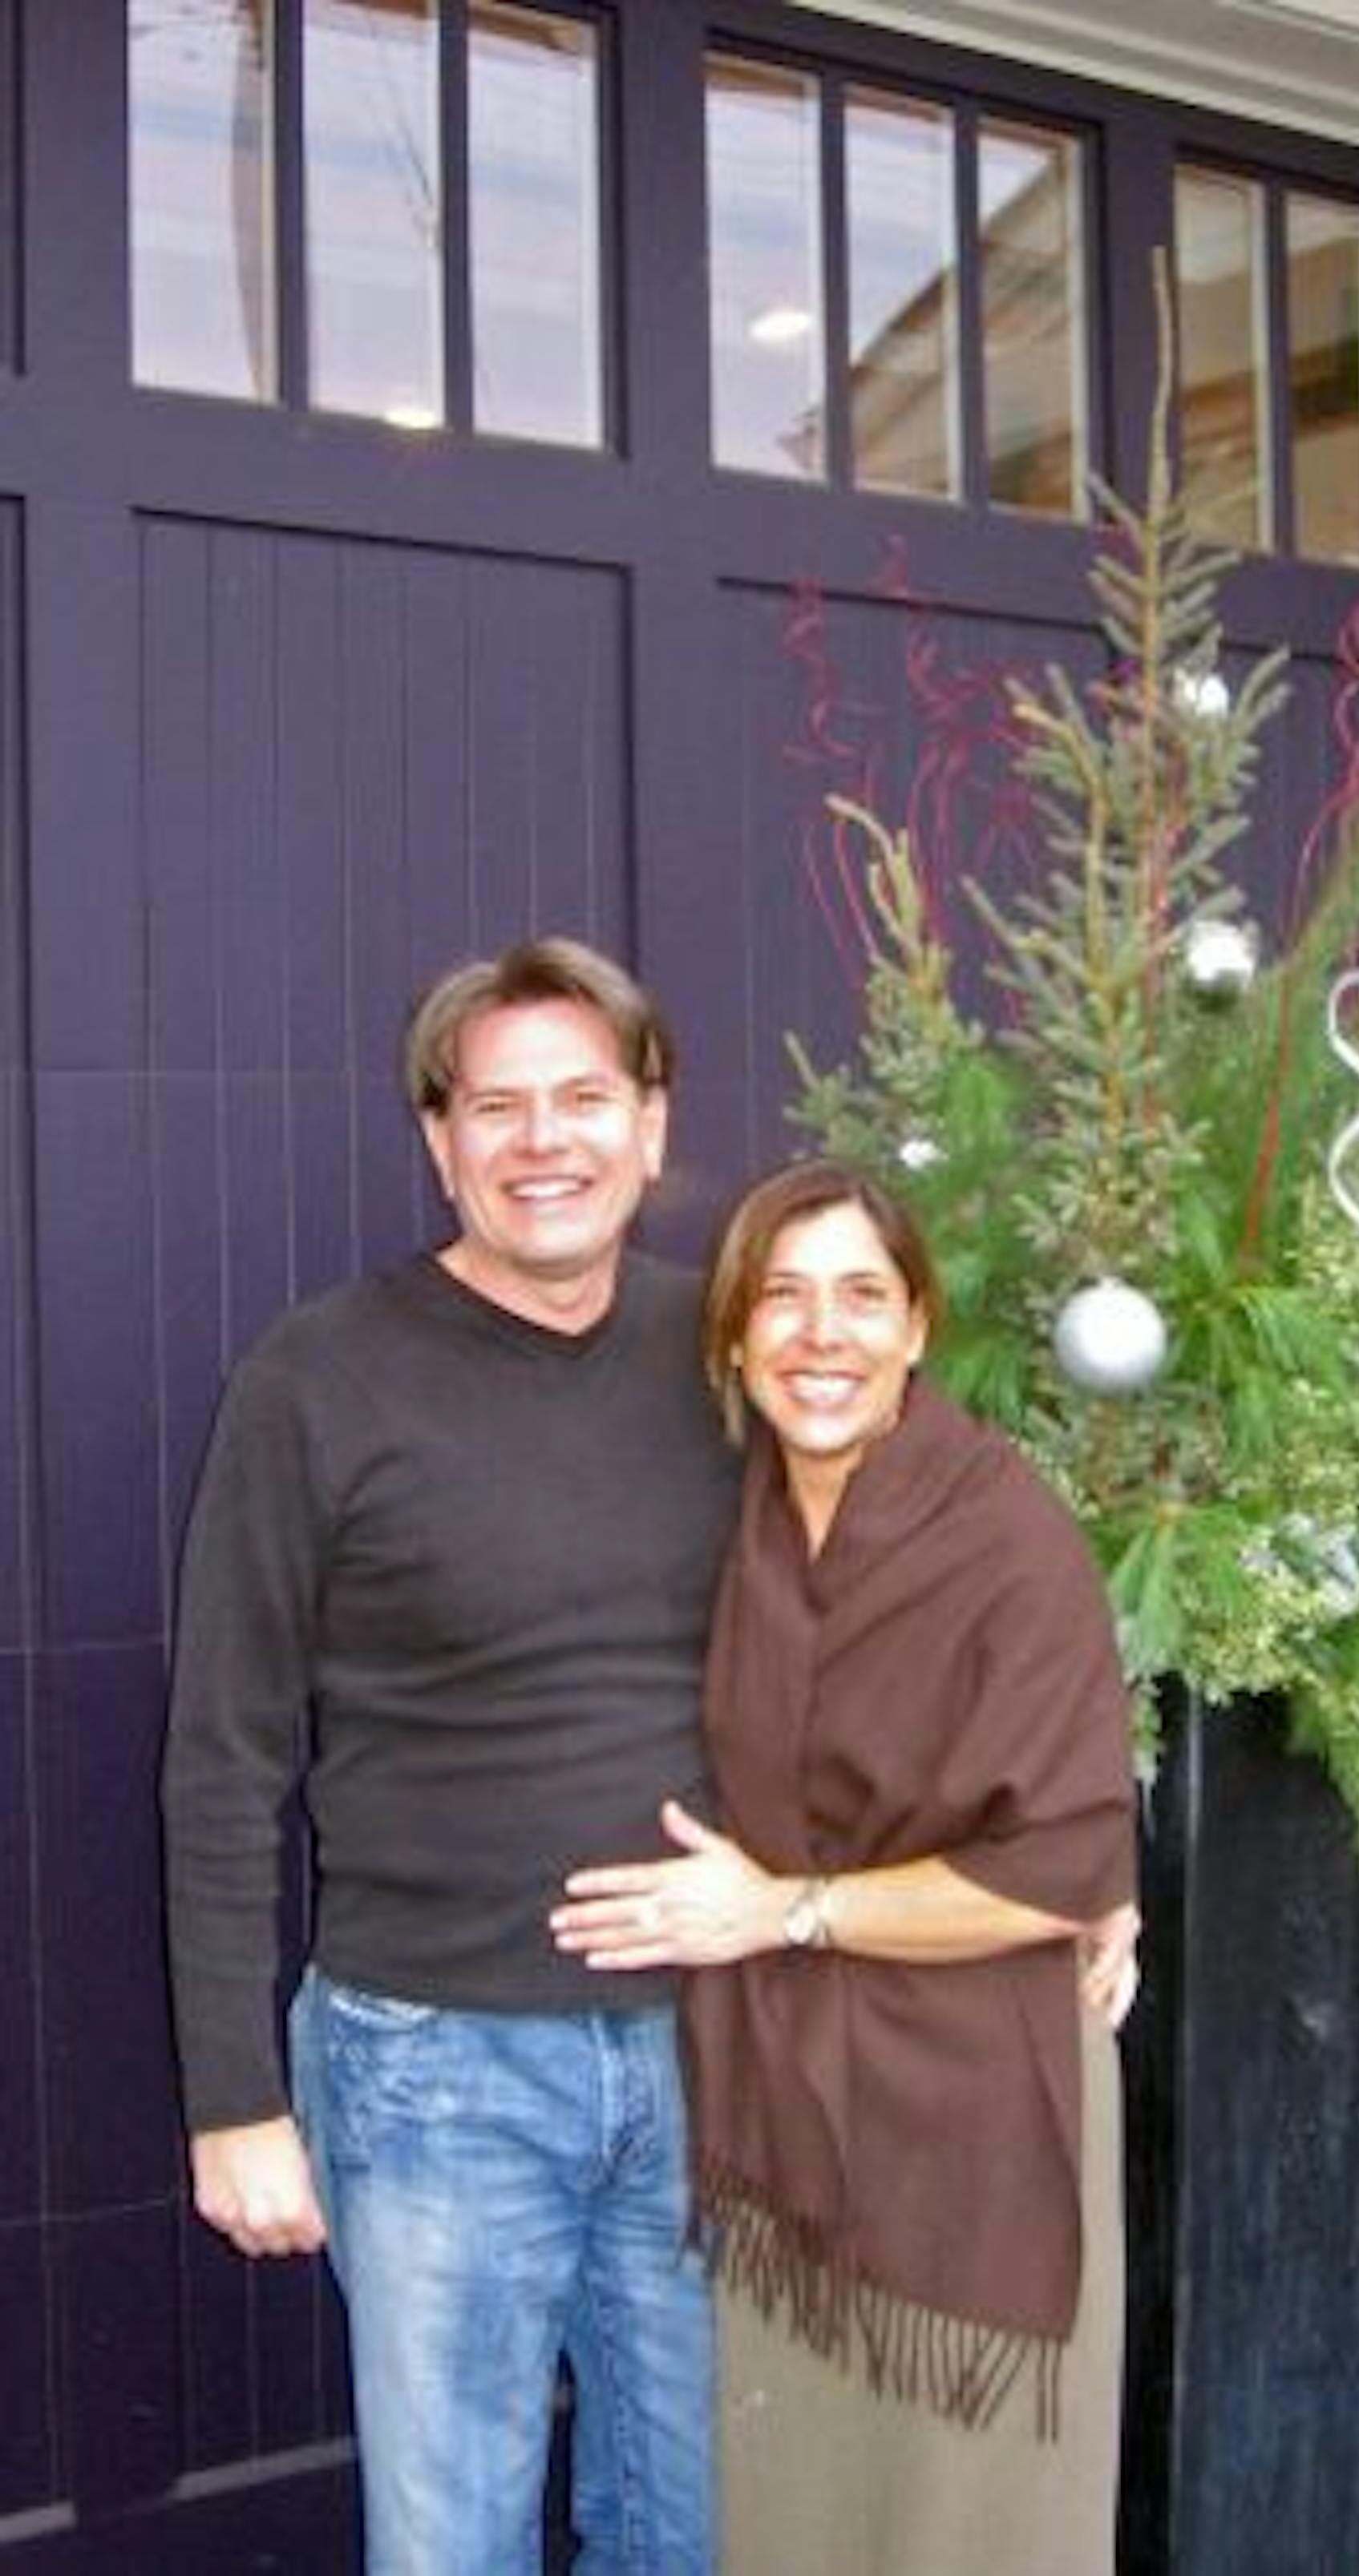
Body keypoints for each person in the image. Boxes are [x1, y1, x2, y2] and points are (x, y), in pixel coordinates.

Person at [160, 936, 740, 2576]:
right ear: (440, 1137)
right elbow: (220, 1755)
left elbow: (925, 1622)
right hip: (437, 2068)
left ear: (649, 1118)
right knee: (452, 2544)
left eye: (581, 1097)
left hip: (709, 2057)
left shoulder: (737, 1356)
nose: (541, 1140)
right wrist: (233, 2103)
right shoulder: (319, 1379)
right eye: (498, 1105)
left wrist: (1071, 1866)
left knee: (691, 2530)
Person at [550, 1159, 1139, 2576]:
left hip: (974, 2109)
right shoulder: (735, 1513)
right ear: (736, 1333)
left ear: (920, 1325)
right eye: (785, 1297)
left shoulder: (1003, 1532)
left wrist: (784, 1910)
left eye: (863, 1296)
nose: (824, 1335)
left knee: (969, 2530)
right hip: (788, 2117)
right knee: (792, 2520)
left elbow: (1047, 1860)